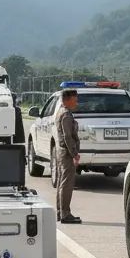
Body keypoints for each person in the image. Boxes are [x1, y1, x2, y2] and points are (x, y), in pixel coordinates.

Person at [55, 88, 81, 225]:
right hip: (66, 153)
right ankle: (65, 213)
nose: (76, 102)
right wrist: (74, 154)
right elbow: (67, 137)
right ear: (66, 100)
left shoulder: (62, 112)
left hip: (62, 152)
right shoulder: (65, 114)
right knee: (66, 184)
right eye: (74, 100)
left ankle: (61, 212)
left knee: (62, 183)